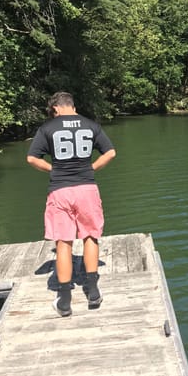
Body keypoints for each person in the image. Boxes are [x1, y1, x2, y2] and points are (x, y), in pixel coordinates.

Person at [27, 91, 116, 317]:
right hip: (87, 188)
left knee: (63, 242)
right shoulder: (91, 125)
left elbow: (32, 158)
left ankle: (65, 300)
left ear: (56, 108)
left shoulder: (48, 128)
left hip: (60, 190)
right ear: (72, 106)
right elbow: (111, 152)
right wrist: (92, 168)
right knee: (90, 236)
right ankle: (93, 290)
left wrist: (52, 169)